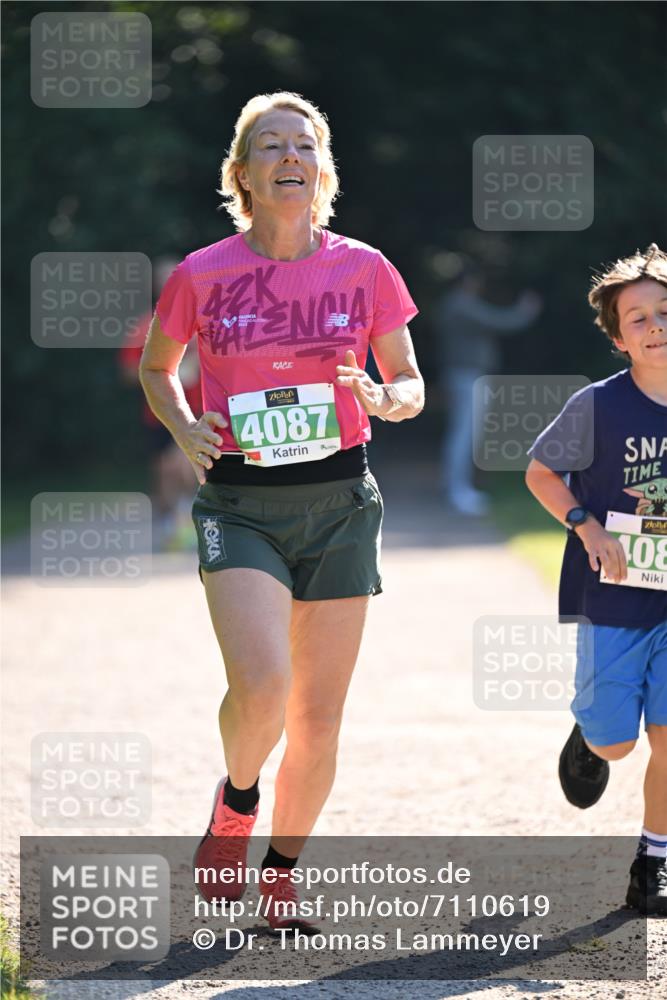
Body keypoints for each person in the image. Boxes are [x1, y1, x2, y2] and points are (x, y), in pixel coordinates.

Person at [139, 92, 423, 930]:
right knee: (263, 685)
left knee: (318, 719)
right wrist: (184, 425)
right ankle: (236, 803)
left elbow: (409, 380)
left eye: (303, 144)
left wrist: (388, 398)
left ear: (321, 169)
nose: (289, 155)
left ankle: (281, 876)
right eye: (270, 145)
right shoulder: (201, 272)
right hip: (242, 504)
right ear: (243, 173)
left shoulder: (365, 268)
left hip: (340, 503)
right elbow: (158, 367)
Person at [525, 243, 667, 915]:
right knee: (616, 742)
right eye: (638, 319)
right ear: (618, 339)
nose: (655, 326)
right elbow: (540, 473)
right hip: (613, 596)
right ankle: (589, 733)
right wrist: (586, 526)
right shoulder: (597, 405)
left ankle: (653, 864)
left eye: (664, 312)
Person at [436, 260, 541, 514]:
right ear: (469, 281)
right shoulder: (461, 304)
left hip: (465, 375)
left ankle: (457, 488)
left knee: (463, 432)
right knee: (465, 434)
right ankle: (458, 491)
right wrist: (525, 310)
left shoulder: (453, 303)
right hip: (468, 376)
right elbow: (500, 321)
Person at [119, 256, 202, 549]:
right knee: (164, 472)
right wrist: (160, 368)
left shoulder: (205, 319)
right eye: (164, 281)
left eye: (174, 280)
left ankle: (190, 519)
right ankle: (171, 524)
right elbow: (128, 372)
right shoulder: (145, 325)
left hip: (199, 409)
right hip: (159, 412)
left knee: (183, 466)